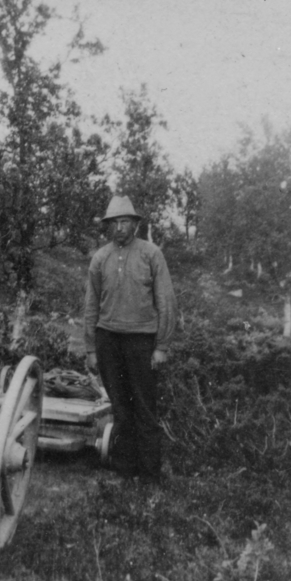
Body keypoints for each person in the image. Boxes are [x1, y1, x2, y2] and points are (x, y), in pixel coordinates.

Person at [83, 196, 178, 483]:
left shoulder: (151, 254)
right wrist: (91, 349)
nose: (120, 227)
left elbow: (165, 301)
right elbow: (91, 305)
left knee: (145, 409)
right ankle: (125, 472)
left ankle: (150, 476)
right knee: (120, 409)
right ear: (108, 227)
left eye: (125, 222)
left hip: (141, 341)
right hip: (108, 341)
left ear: (135, 224)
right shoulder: (101, 258)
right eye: (115, 223)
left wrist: (161, 345)